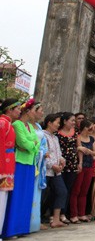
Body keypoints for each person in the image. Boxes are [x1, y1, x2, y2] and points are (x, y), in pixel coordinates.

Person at [2, 98, 39, 238]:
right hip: (18, 162)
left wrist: (32, 146)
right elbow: (24, 143)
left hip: (30, 163)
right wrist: (32, 145)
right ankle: (11, 229)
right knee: (16, 197)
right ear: (28, 111)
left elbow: (35, 144)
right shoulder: (17, 124)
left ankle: (22, 227)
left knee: (26, 196)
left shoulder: (30, 126)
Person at [42, 113, 68, 228]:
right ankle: (37, 219)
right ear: (49, 123)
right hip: (46, 170)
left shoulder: (55, 137)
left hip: (56, 171)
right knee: (42, 195)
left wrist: (62, 160)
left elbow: (58, 153)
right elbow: (44, 153)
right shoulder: (43, 135)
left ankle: (56, 219)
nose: (58, 125)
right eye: (57, 122)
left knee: (62, 192)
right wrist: (52, 165)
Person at [69, 119, 95, 223]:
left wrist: (89, 152)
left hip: (89, 165)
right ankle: (73, 214)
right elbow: (79, 151)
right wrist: (80, 163)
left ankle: (82, 213)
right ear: (85, 127)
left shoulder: (91, 139)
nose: (92, 129)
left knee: (84, 191)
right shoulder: (78, 137)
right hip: (81, 165)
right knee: (76, 190)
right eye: (90, 127)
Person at [0, 99, 21, 234]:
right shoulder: (3, 124)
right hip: (3, 165)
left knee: (3, 198)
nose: (20, 111)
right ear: (9, 109)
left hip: (8, 164)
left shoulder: (9, 124)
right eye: (18, 108)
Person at [56, 111, 78, 223]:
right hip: (60, 164)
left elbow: (78, 147)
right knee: (59, 190)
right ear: (64, 121)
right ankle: (54, 213)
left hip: (72, 164)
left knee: (68, 189)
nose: (74, 123)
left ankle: (63, 213)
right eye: (72, 120)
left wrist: (79, 163)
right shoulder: (57, 133)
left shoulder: (75, 132)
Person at [29, 101, 47, 232]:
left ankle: (34, 221)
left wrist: (44, 153)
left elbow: (44, 144)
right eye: (40, 110)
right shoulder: (26, 125)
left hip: (40, 162)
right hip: (31, 159)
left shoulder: (39, 127)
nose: (42, 113)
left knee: (37, 192)